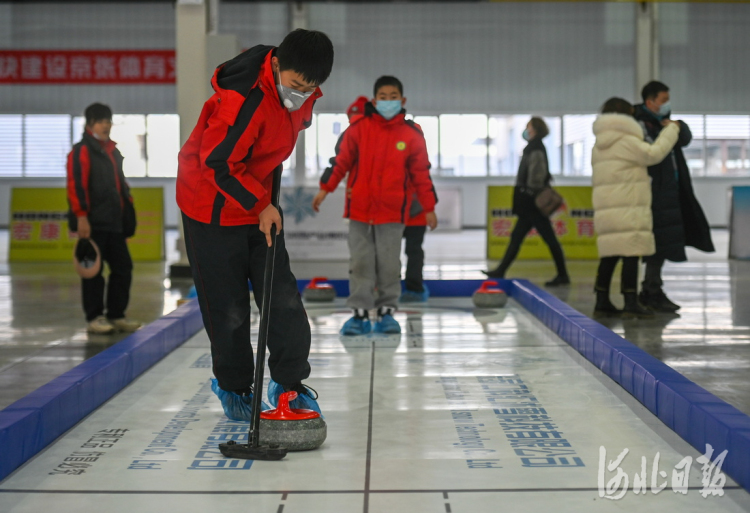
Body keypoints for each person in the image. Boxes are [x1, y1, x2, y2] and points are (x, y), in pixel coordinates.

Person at [176, 29, 334, 421]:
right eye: (297, 85)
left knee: (282, 298)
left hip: (257, 203)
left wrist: (264, 203)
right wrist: (259, 203)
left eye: (311, 87)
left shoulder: (302, 95)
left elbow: (272, 146)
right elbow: (218, 163)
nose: (302, 93)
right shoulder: (241, 100)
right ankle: (234, 388)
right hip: (210, 206)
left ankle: (289, 385)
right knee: (227, 308)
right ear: (277, 65)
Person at [313, 76, 438, 336]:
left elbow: (421, 175)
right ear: (374, 100)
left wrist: (429, 208)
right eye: (383, 96)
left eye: (394, 96)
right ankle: (359, 315)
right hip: (359, 211)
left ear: (402, 101)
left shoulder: (411, 135)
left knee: (390, 265)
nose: (388, 101)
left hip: (393, 214)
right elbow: (341, 162)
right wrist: (325, 189)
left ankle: (387, 313)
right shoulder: (359, 129)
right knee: (360, 262)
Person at [591, 97, 680, 318]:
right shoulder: (625, 141)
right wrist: (671, 131)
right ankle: (630, 302)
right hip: (628, 205)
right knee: (631, 253)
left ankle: (602, 300)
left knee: (610, 255)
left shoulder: (600, 143)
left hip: (608, 207)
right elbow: (653, 154)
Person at [634, 81, 714, 312]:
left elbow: (684, 138)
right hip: (654, 192)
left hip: (672, 191)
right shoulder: (641, 125)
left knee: (664, 242)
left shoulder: (664, 123)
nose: (667, 104)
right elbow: (652, 154)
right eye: (663, 100)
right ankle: (649, 291)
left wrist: (676, 125)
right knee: (657, 244)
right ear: (650, 102)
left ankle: (652, 289)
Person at [66, 103, 142, 335]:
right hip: (93, 222)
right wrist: (81, 217)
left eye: (108, 121)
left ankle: (116, 315)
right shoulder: (81, 151)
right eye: (100, 121)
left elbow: (119, 184)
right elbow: (76, 186)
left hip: (114, 222)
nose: (106, 125)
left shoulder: (112, 151)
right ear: (89, 124)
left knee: (123, 268)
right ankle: (95, 317)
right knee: (93, 272)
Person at [484, 117, 569, 286]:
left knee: (548, 239)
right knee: (518, 237)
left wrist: (529, 192)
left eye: (528, 126)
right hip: (529, 204)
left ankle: (563, 275)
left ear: (534, 129)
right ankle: (501, 270)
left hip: (532, 204)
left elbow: (536, 175)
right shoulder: (534, 147)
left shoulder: (535, 148)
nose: (525, 129)